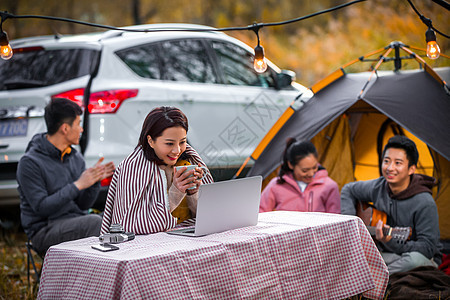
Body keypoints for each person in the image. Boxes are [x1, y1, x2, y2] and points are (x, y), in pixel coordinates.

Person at [17, 98, 115, 256]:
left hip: (76, 220)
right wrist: (78, 185)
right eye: (78, 124)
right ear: (65, 128)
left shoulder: (74, 157)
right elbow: (42, 207)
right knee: (94, 223)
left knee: (117, 219)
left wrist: (93, 181)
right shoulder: (30, 163)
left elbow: (83, 205)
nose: (81, 129)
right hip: (44, 229)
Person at [100, 106, 214, 235]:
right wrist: (176, 192)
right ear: (150, 141)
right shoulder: (134, 167)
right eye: (169, 144)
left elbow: (204, 218)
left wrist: (194, 192)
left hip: (186, 236)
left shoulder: (189, 161)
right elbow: (131, 226)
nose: (177, 150)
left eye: (182, 142)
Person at [341, 135, 442, 275]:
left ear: (411, 169)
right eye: (386, 161)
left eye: (398, 163)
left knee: (415, 261)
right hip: (386, 255)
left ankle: (377, 277)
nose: (390, 168)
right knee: (348, 254)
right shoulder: (378, 186)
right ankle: (380, 272)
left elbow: (427, 248)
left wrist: (390, 242)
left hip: (416, 257)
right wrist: (350, 225)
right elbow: (348, 190)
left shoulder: (424, 202)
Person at [259, 138, 340, 213]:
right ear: (291, 165)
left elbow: (336, 219)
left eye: (314, 167)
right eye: (305, 170)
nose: (311, 173)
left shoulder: (329, 186)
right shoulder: (276, 185)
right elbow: (260, 213)